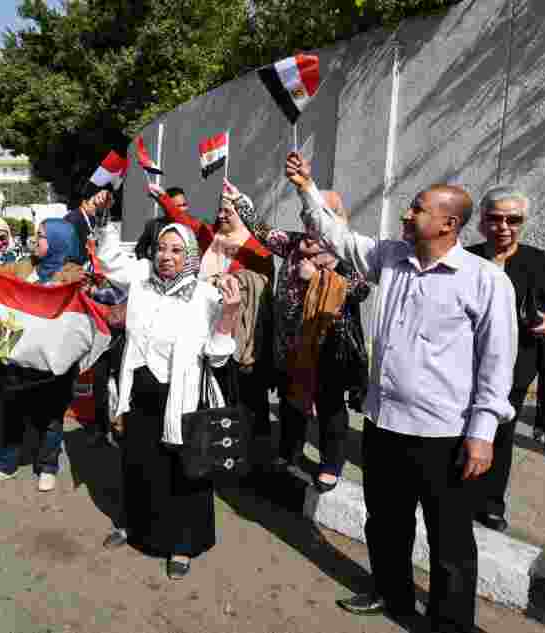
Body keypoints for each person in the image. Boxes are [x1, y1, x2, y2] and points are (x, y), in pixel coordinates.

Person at [284, 152, 517, 632]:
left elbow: (498, 365)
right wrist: (307, 186)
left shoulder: (486, 281)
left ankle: (450, 623)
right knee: (385, 523)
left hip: (445, 435)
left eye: (417, 208)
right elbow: (338, 238)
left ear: (448, 223)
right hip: (383, 424)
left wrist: (483, 433)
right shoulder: (390, 259)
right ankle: (393, 597)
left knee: (449, 538)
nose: (406, 214)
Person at [93, 218, 242, 580]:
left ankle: (183, 544)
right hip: (142, 391)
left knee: (184, 471)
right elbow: (111, 261)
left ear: (190, 255)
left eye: (176, 250)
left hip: (184, 397)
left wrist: (230, 313)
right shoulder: (142, 285)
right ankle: (136, 528)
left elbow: (219, 355)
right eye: (162, 248)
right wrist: (108, 220)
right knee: (139, 464)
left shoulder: (206, 295)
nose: (166, 256)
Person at [232, 188, 371, 492]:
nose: (310, 219)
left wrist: (319, 279)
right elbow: (262, 232)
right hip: (290, 342)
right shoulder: (295, 243)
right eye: (307, 213)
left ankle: (331, 463)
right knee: (291, 400)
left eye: (318, 213)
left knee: (330, 405)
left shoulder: (345, 250)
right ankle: (288, 453)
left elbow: (361, 289)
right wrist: (241, 200)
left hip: (328, 344)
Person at [466, 185, 545, 532]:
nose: (504, 226)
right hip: (463, 361)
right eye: (495, 218)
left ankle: (490, 503)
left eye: (513, 219)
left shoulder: (539, 262)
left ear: (523, 223)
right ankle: (458, 492)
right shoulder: (466, 256)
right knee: (461, 429)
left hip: (515, 365)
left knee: (500, 434)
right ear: (482, 222)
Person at [147, 181, 275, 439]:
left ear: (243, 213)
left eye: (228, 211)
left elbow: (262, 292)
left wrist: (230, 282)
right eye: (220, 210)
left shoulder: (258, 249)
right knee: (215, 392)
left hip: (241, 336)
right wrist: (164, 199)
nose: (221, 215)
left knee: (248, 396)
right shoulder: (210, 236)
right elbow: (184, 220)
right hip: (205, 329)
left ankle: (254, 447)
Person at [0, 217, 86, 491]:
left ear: (58, 242)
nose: (35, 241)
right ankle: (5, 466)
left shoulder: (75, 275)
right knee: (12, 412)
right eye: (35, 235)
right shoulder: (23, 267)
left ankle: (47, 467)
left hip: (53, 365)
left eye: (42, 236)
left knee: (52, 418)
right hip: (18, 362)